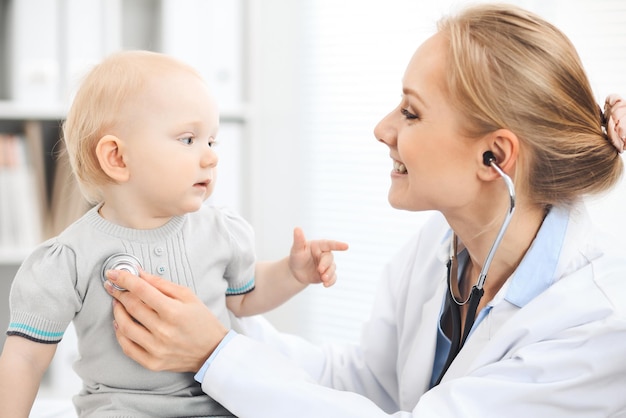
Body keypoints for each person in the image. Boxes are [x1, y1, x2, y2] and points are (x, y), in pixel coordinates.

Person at [105, 4, 626, 417]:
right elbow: (363, 386)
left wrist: (215, 355)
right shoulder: (441, 248)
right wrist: (210, 315)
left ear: (496, 157)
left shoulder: (597, 323)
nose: (383, 129)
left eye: (411, 112)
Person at [0, 50, 348, 417]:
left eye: (212, 141)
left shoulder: (219, 231)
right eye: (188, 139)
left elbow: (244, 299)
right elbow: (25, 359)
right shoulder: (69, 258)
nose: (211, 157)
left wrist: (291, 273)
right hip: (122, 408)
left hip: (220, 402)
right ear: (117, 158)